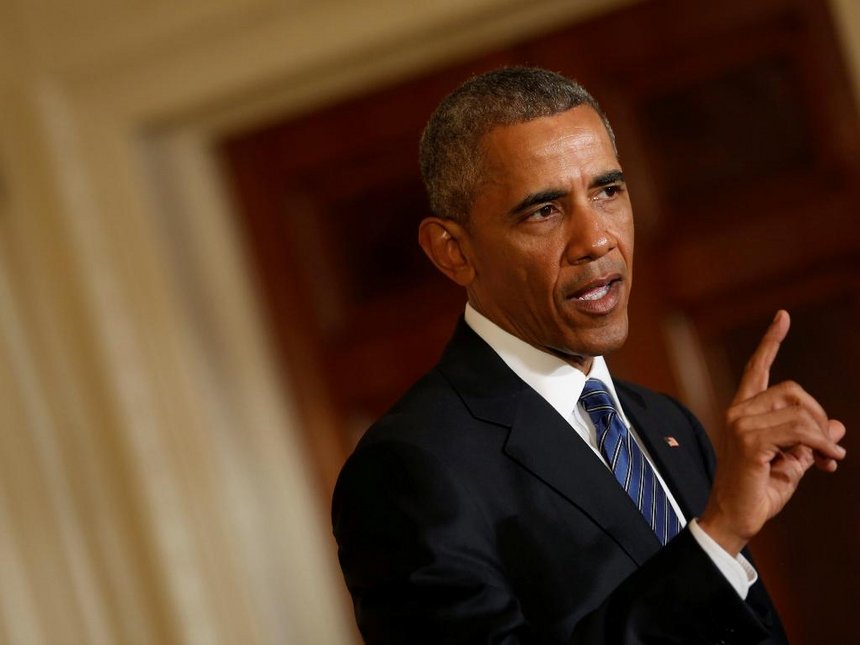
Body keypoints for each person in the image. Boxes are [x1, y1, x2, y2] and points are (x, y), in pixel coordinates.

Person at [331, 67, 846, 644]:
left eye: (607, 190)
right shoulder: (410, 470)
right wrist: (718, 535)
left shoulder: (665, 421)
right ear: (453, 252)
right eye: (543, 211)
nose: (596, 239)